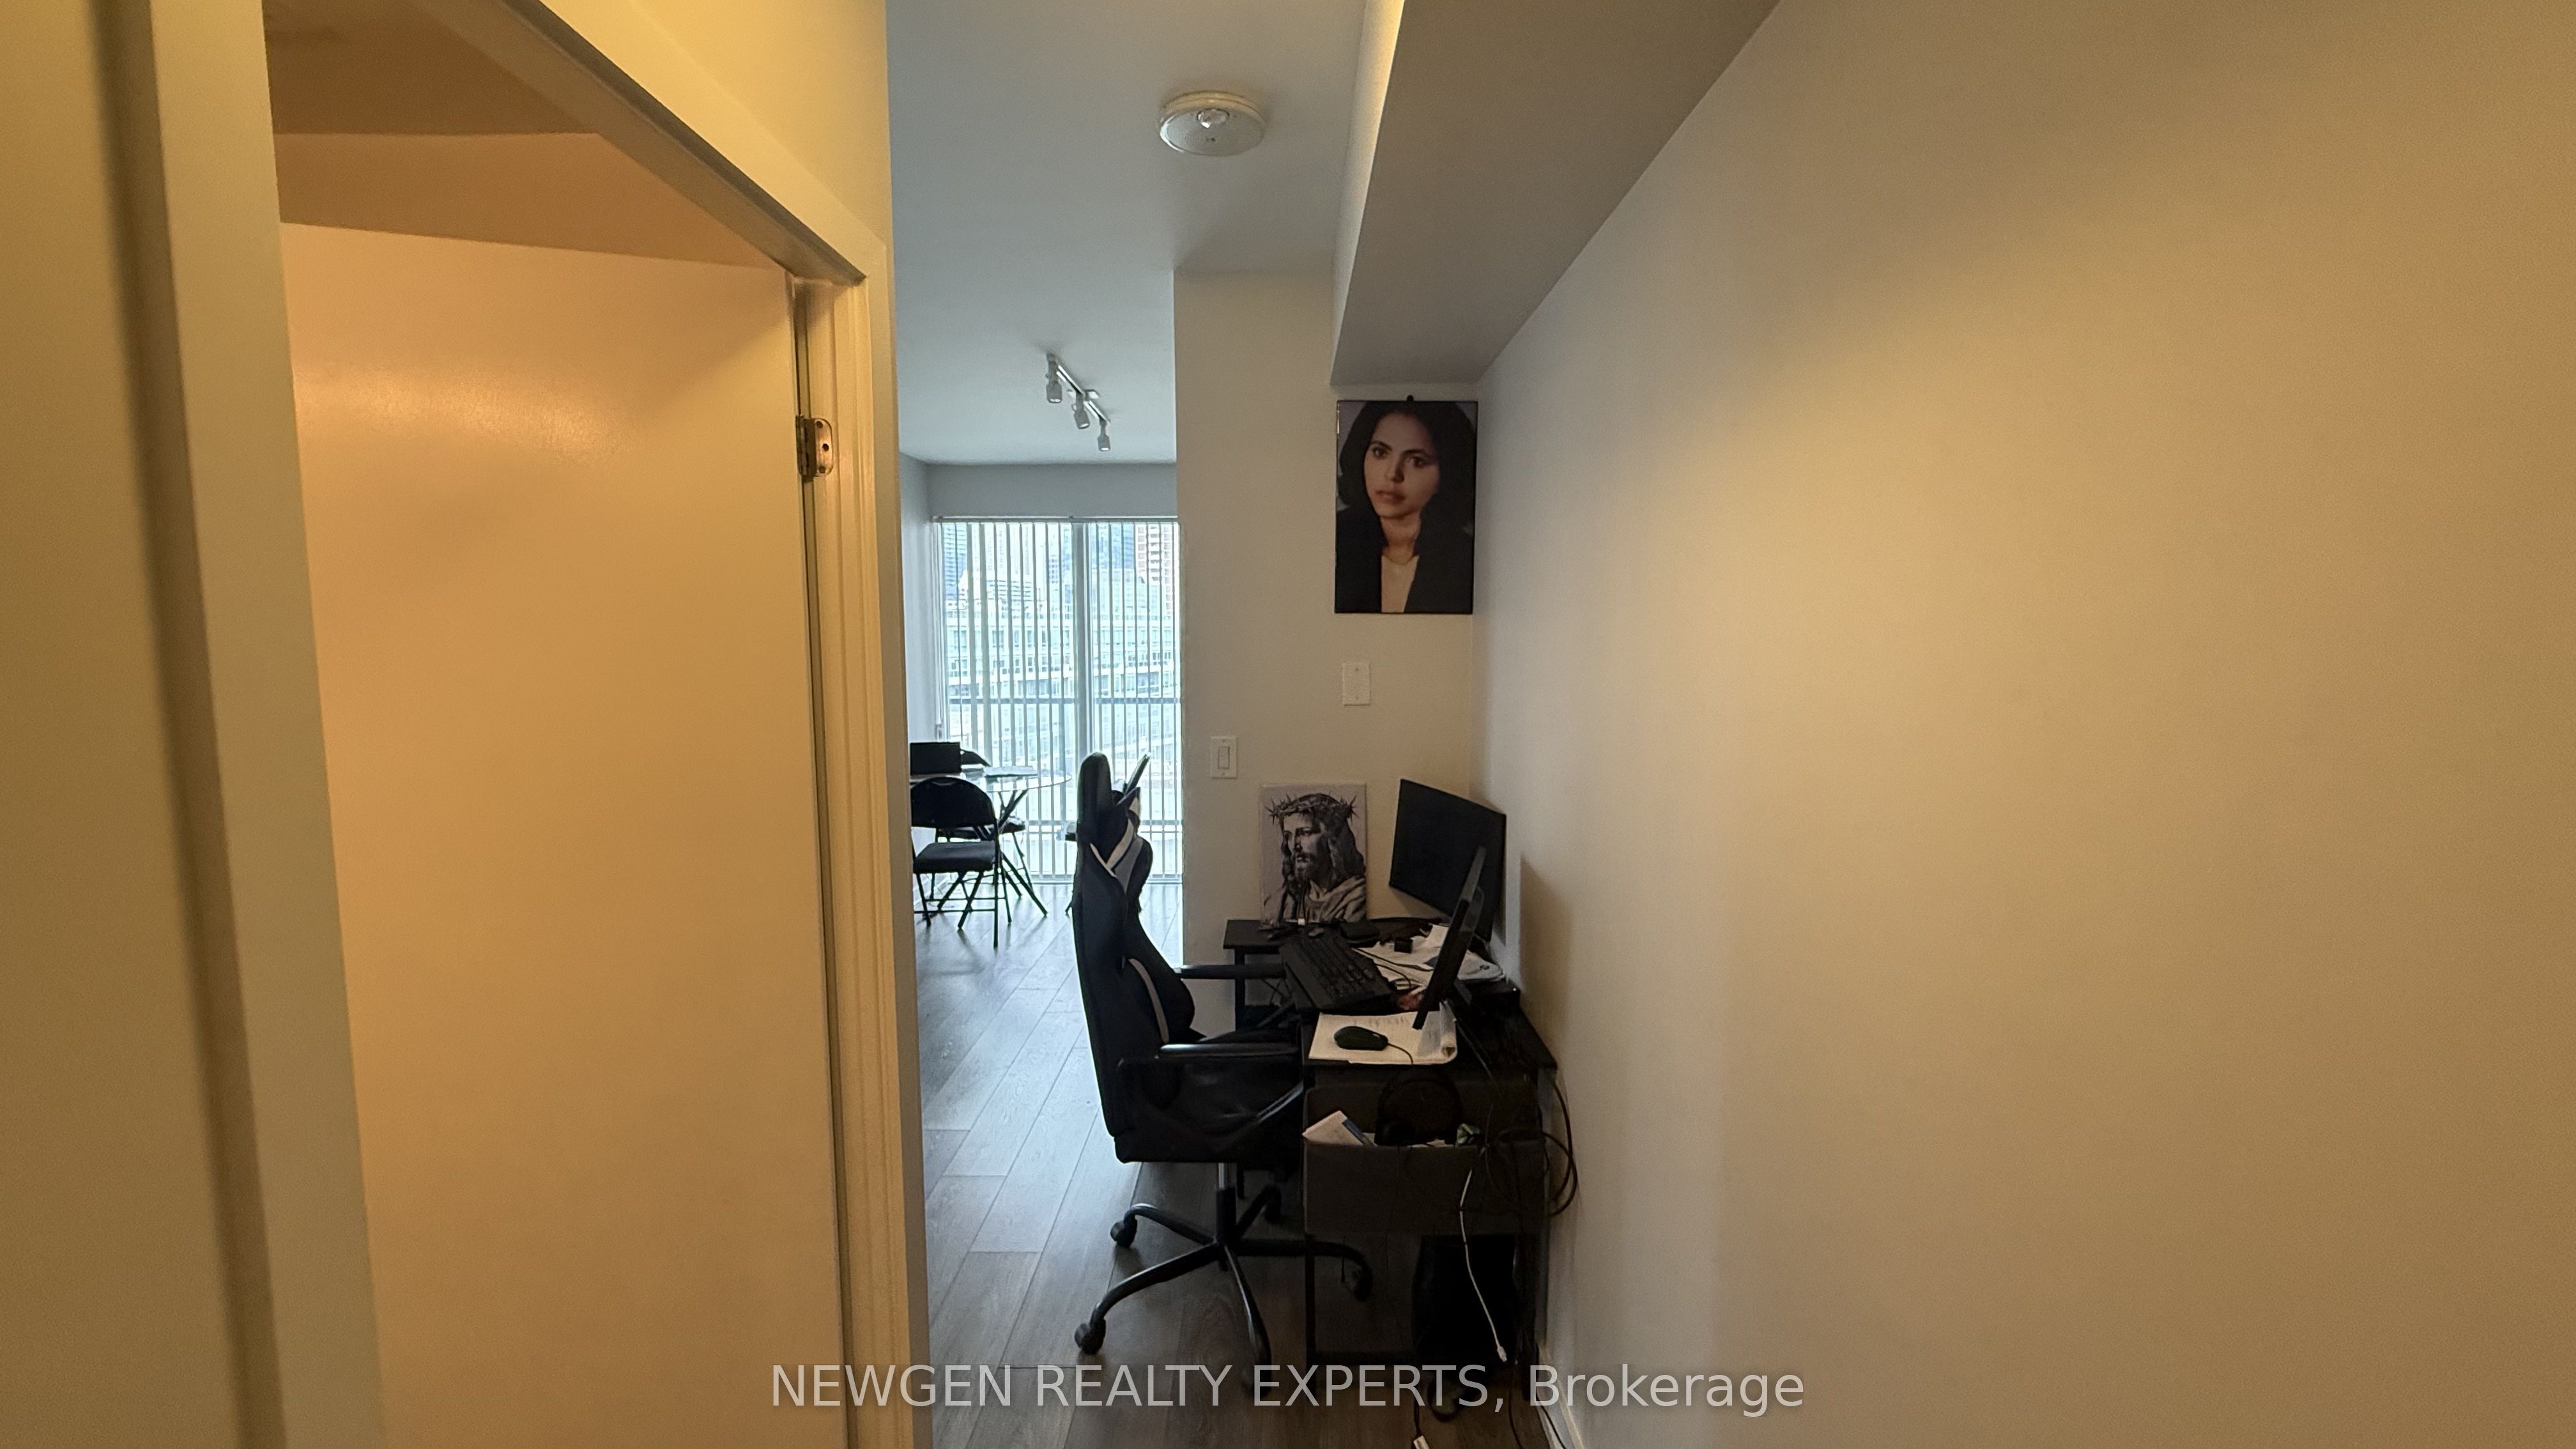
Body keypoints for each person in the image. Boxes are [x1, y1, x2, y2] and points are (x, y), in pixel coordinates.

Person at [1334, 399, 1477, 614]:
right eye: (1380, 453)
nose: (1392, 474)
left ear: (1448, 472)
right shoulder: (1336, 540)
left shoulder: (1465, 559)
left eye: (1417, 461)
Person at [1266, 792, 1368, 924]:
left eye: (1305, 833)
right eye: (1288, 836)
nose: (1295, 845)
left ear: (1333, 839)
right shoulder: (1283, 900)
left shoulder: (1356, 898)